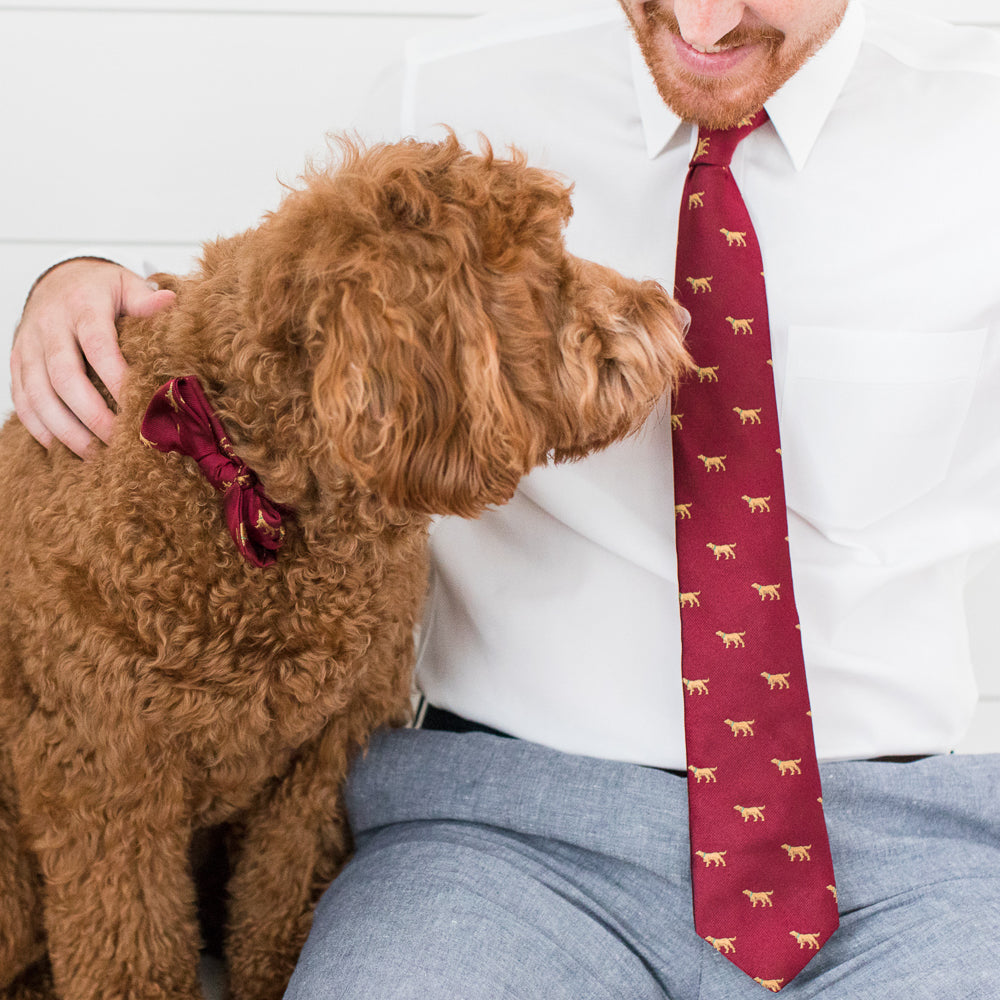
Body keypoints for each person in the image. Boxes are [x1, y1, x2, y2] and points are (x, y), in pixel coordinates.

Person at [11, 1, 1000, 997]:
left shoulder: (978, 119)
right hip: (498, 831)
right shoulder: (437, 89)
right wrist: (81, 282)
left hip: (903, 839)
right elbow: (291, 337)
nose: (702, 18)